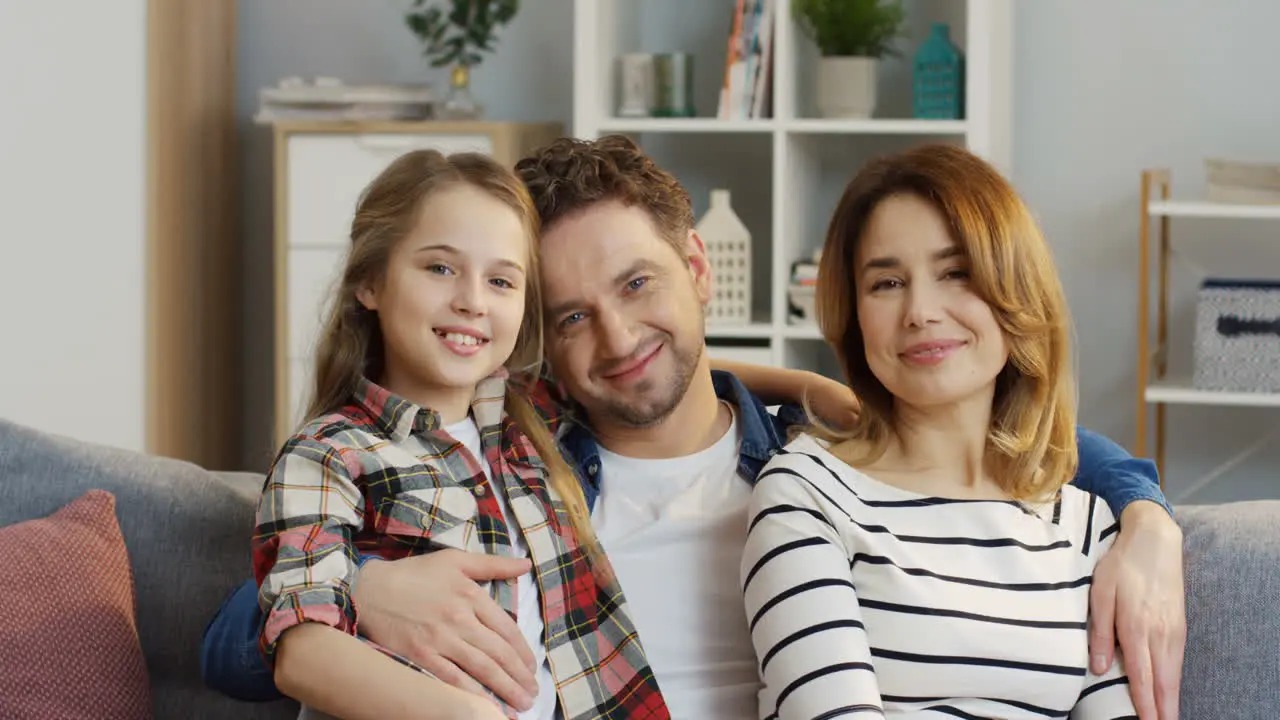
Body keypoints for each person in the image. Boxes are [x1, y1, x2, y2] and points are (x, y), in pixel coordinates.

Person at [202, 136, 1186, 719]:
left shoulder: (811, 460)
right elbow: (231, 644)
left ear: (698, 267)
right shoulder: (511, 461)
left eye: (638, 285)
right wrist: (370, 590)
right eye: (574, 315)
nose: (620, 336)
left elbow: (1007, 445)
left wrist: (1145, 518)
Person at [250, 148, 668, 720]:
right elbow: (303, 653)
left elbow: (639, 365)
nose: (472, 300)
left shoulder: (529, 418)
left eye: (501, 280)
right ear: (372, 282)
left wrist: (800, 386)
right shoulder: (329, 454)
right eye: (440, 268)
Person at [741, 143, 1153, 719]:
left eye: (955, 272)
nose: (920, 311)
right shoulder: (807, 493)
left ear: (1015, 289)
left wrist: (1151, 519)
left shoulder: (1087, 527)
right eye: (886, 283)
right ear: (855, 315)